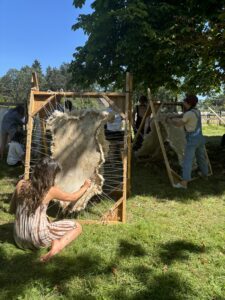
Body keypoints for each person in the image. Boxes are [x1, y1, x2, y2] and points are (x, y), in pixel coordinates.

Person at [10, 157, 92, 262]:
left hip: (19, 239)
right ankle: (57, 247)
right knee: (77, 227)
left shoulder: (21, 184)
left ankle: (50, 240)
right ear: (50, 175)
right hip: (37, 239)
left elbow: (12, 209)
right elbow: (72, 197)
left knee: (45, 219)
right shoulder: (50, 190)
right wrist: (85, 187)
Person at [167, 95, 208, 189]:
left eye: (185, 102)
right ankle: (205, 175)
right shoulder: (197, 111)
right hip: (200, 138)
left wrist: (170, 121)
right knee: (201, 157)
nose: (183, 104)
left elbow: (178, 124)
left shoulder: (188, 114)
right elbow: (184, 116)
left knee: (187, 161)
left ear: (188, 103)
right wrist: (176, 115)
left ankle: (184, 183)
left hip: (192, 139)